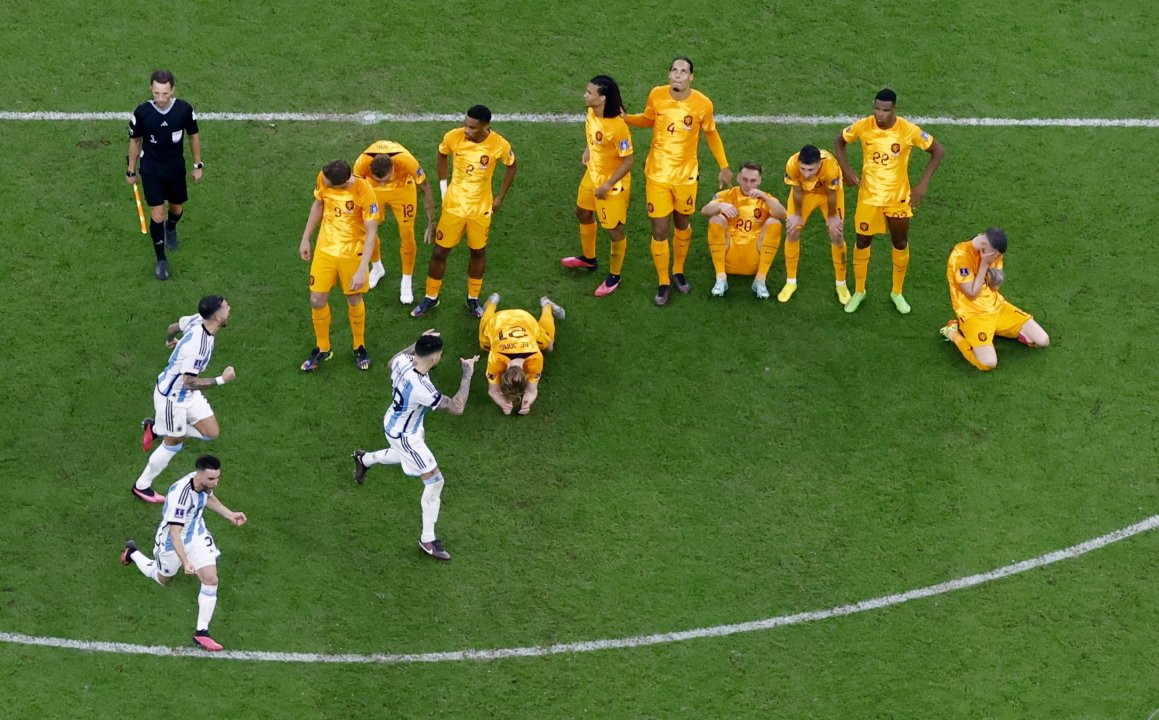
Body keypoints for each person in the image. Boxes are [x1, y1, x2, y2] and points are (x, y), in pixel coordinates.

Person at [352, 332, 479, 561]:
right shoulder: (423, 390)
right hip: (405, 436)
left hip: (397, 423)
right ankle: (428, 539)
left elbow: (392, 361)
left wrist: (416, 342)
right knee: (435, 481)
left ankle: (364, 460)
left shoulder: (402, 361)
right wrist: (467, 375)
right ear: (435, 358)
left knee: (404, 457)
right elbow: (457, 407)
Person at [624, 56, 732, 306]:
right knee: (660, 230)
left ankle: (678, 271)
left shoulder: (703, 104)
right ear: (669, 74)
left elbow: (711, 134)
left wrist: (724, 166)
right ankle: (663, 281)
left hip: (686, 177)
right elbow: (649, 119)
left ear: (691, 77)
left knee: (683, 222)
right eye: (674, 70)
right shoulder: (657, 95)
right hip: (657, 176)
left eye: (684, 71)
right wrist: (627, 117)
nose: (678, 74)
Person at [834, 88, 945, 314]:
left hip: (897, 198)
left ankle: (897, 292)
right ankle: (860, 290)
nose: (879, 114)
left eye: (885, 110)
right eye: (877, 108)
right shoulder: (863, 126)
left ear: (894, 109)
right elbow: (839, 141)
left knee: (900, 243)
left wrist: (922, 184)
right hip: (869, 197)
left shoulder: (908, 130)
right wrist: (845, 169)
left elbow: (938, 151)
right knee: (862, 242)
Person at [120, 454, 247, 652]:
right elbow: (174, 533)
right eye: (211, 479)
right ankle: (133, 552)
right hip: (171, 543)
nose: (215, 483)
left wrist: (230, 514)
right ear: (199, 475)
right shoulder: (182, 495)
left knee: (211, 579)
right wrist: (185, 561)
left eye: (218, 478)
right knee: (163, 579)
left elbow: (208, 499)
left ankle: (201, 633)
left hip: (196, 534)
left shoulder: (202, 485)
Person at [412, 106, 517, 319]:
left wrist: (499, 197)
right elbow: (442, 154)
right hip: (454, 208)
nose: (466, 130)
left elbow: (512, 166)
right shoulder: (453, 137)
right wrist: (444, 188)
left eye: (472, 127)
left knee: (478, 252)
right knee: (440, 252)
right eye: (465, 124)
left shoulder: (499, 145)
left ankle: (472, 299)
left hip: (480, 210)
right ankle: (431, 297)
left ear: (485, 126)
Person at [133, 296, 235, 504]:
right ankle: (141, 486)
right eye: (225, 307)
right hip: (173, 400)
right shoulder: (199, 346)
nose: (229, 308)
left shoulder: (198, 320)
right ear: (217, 315)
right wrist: (221, 380)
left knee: (211, 433)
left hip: (187, 395)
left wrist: (171, 340)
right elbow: (189, 382)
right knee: (173, 443)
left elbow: (173, 327)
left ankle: (157, 429)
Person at [298, 159, 383, 372]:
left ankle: (359, 346)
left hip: (353, 253)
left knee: (353, 298)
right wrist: (306, 237)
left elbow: (372, 232)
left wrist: (363, 269)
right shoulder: (324, 178)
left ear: (341, 183)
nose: (323, 184)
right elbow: (318, 204)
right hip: (325, 250)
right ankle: (323, 348)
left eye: (328, 183)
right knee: (316, 299)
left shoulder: (365, 190)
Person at [126, 70, 203, 281]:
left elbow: (193, 136)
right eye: (157, 93)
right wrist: (131, 170)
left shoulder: (184, 110)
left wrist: (198, 165)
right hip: (151, 168)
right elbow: (135, 141)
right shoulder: (142, 113)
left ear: (172, 90)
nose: (161, 98)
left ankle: (171, 227)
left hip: (175, 167)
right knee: (157, 214)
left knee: (176, 209)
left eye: (165, 93)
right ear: (151, 89)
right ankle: (161, 259)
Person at [560, 75, 634, 297]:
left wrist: (608, 185)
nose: (585, 95)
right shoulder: (592, 112)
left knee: (614, 230)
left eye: (589, 92)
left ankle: (615, 276)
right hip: (592, 174)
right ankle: (589, 259)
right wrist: (589, 148)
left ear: (602, 98)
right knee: (582, 213)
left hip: (611, 185)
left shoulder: (618, 128)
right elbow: (593, 135)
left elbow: (629, 160)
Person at [940, 227, 1049, 370]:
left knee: (1043, 340)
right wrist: (984, 264)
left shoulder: (992, 252)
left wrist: (991, 265)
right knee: (988, 363)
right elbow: (972, 293)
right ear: (985, 245)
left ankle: (998, 331)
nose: (996, 259)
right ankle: (952, 332)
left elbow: (995, 286)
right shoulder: (961, 257)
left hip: (998, 307)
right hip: (973, 315)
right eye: (995, 256)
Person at [352, 140, 437, 303]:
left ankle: (406, 280)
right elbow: (355, 190)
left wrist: (431, 222)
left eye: (385, 179)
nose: (384, 183)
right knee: (369, 229)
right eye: (379, 179)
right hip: (373, 191)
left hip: (402, 189)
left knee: (407, 232)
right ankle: (377, 268)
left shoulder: (407, 161)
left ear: (393, 168)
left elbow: (425, 188)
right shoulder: (362, 163)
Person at [700, 163, 787, 298]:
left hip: (755, 256)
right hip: (729, 252)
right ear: (738, 178)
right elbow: (705, 211)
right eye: (745, 179)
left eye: (753, 180)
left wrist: (765, 198)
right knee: (715, 220)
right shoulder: (727, 195)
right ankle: (721, 277)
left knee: (774, 223)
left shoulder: (765, 198)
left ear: (759, 181)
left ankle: (760, 279)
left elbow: (782, 215)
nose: (748, 184)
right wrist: (720, 206)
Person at [782, 144, 850, 305]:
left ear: (819, 164)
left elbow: (832, 194)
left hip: (828, 195)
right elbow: (797, 191)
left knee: (836, 233)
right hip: (805, 194)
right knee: (792, 230)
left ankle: (841, 284)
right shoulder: (792, 164)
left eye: (810, 170)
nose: (806, 174)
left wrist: (832, 216)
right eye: (803, 168)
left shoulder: (831, 168)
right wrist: (797, 215)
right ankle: (790, 281)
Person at [478, 293, 565, 414]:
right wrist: (508, 402)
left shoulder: (534, 358)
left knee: (549, 346)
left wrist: (521, 402)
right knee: (484, 345)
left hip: (522, 320)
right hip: (502, 320)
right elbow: (530, 390)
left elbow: (494, 391)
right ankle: (491, 303)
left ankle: (547, 306)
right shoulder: (497, 358)